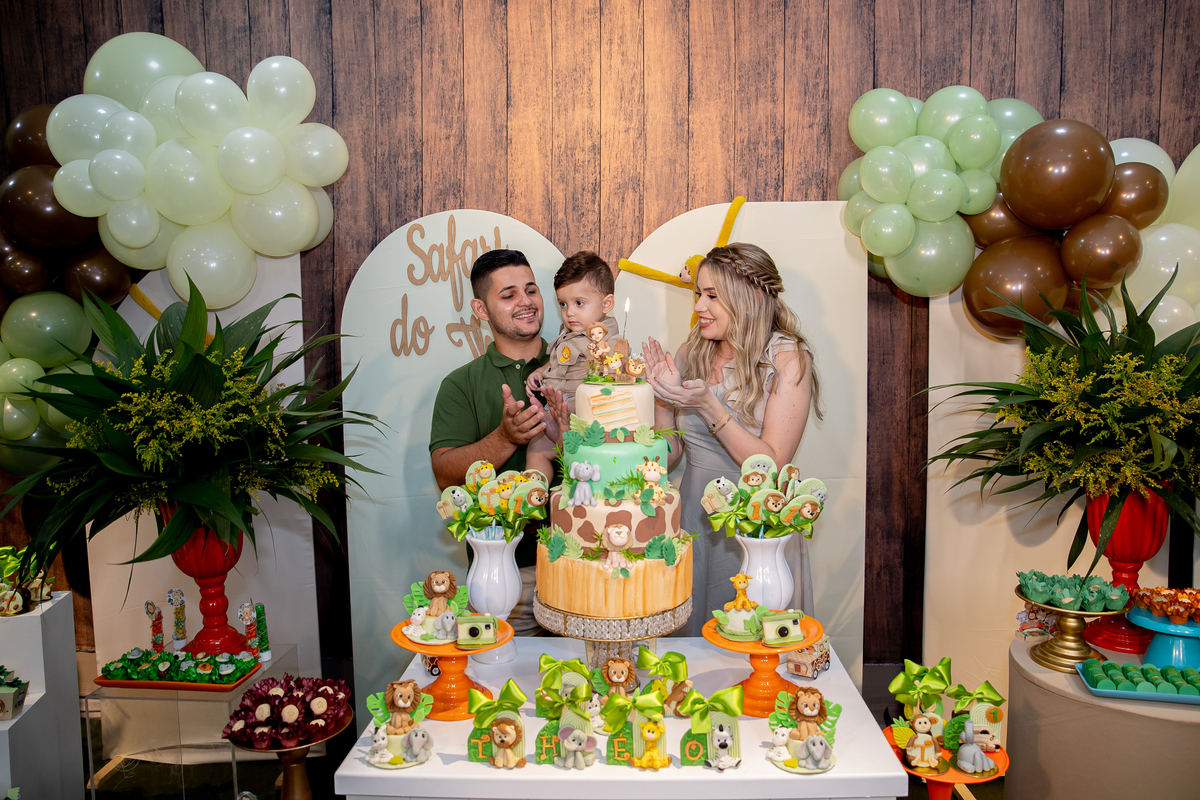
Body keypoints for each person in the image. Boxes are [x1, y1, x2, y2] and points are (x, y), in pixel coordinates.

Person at [642, 242, 822, 636]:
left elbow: (770, 465)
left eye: (712, 296)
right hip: (695, 520)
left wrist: (710, 407)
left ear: (752, 298)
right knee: (693, 646)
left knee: (748, 640)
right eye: (698, 294)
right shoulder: (691, 352)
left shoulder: (788, 360)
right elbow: (668, 457)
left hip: (755, 527)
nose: (698, 307)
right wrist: (662, 400)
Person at [429, 248, 561, 636]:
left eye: (531, 290)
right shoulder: (461, 384)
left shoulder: (579, 365)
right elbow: (445, 475)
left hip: (583, 562)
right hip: (505, 574)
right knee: (503, 671)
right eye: (508, 295)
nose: (526, 302)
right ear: (481, 309)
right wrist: (505, 437)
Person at [524, 250, 624, 478]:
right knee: (536, 448)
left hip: (584, 416)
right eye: (563, 304)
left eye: (579, 303)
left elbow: (614, 380)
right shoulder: (567, 334)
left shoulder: (607, 342)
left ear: (606, 303)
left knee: (584, 460)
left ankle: (584, 487)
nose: (569, 313)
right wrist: (541, 372)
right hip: (555, 410)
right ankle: (533, 490)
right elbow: (558, 361)